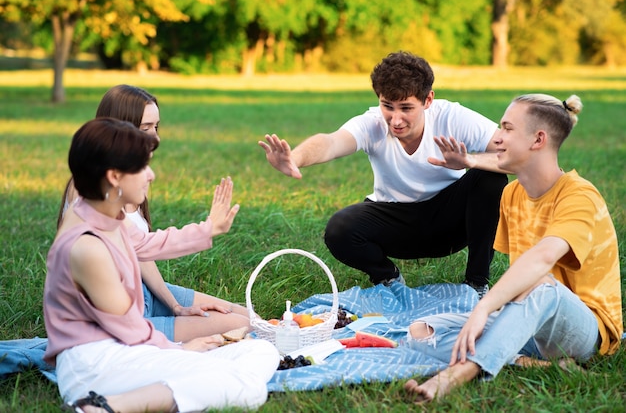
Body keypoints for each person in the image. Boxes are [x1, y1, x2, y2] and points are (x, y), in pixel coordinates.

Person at [45, 117, 280, 412]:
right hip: (96, 365)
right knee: (249, 389)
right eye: (142, 167)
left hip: (124, 352)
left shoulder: (101, 214)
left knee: (260, 349)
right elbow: (130, 328)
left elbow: (147, 244)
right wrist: (178, 349)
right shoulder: (87, 247)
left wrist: (209, 229)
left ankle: (159, 393)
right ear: (115, 176)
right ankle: (106, 407)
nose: (151, 175)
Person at [403, 94, 623, 402]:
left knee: (541, 284)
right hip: (530, 323)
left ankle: (458, 374)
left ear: (538, 139)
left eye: (507, 128)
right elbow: (519, 275)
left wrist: (484, 306)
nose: (497, 137)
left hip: (584, 330)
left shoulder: (580, 196)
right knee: (421, 331)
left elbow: (542, 258)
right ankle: (533, 363)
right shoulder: (512, 194)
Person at [259, 51, 508, 297]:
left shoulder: (453, 117)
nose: (396, 120)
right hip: (396, 220)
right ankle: (388, 278)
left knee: (491, 179)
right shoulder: (373, 123)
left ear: (428, 100)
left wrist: (470, 160)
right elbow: (332, 142)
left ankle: (476, 284)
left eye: (406, 108)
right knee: (340, 229)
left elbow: (511, 156)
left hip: (452, 221)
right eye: (387, 106)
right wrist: (296, 158)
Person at [58, 84, 250, 342]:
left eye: (156, 127)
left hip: (143, 292)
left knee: (247, 317)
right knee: (237, 325)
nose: (155, 138)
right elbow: (143, 245)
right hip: (116, 316)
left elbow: (141, 253)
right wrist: (208, 229)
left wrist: (175, 307)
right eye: (145, 128)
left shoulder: (132, 179)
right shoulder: (91, 190)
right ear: (120, 128)